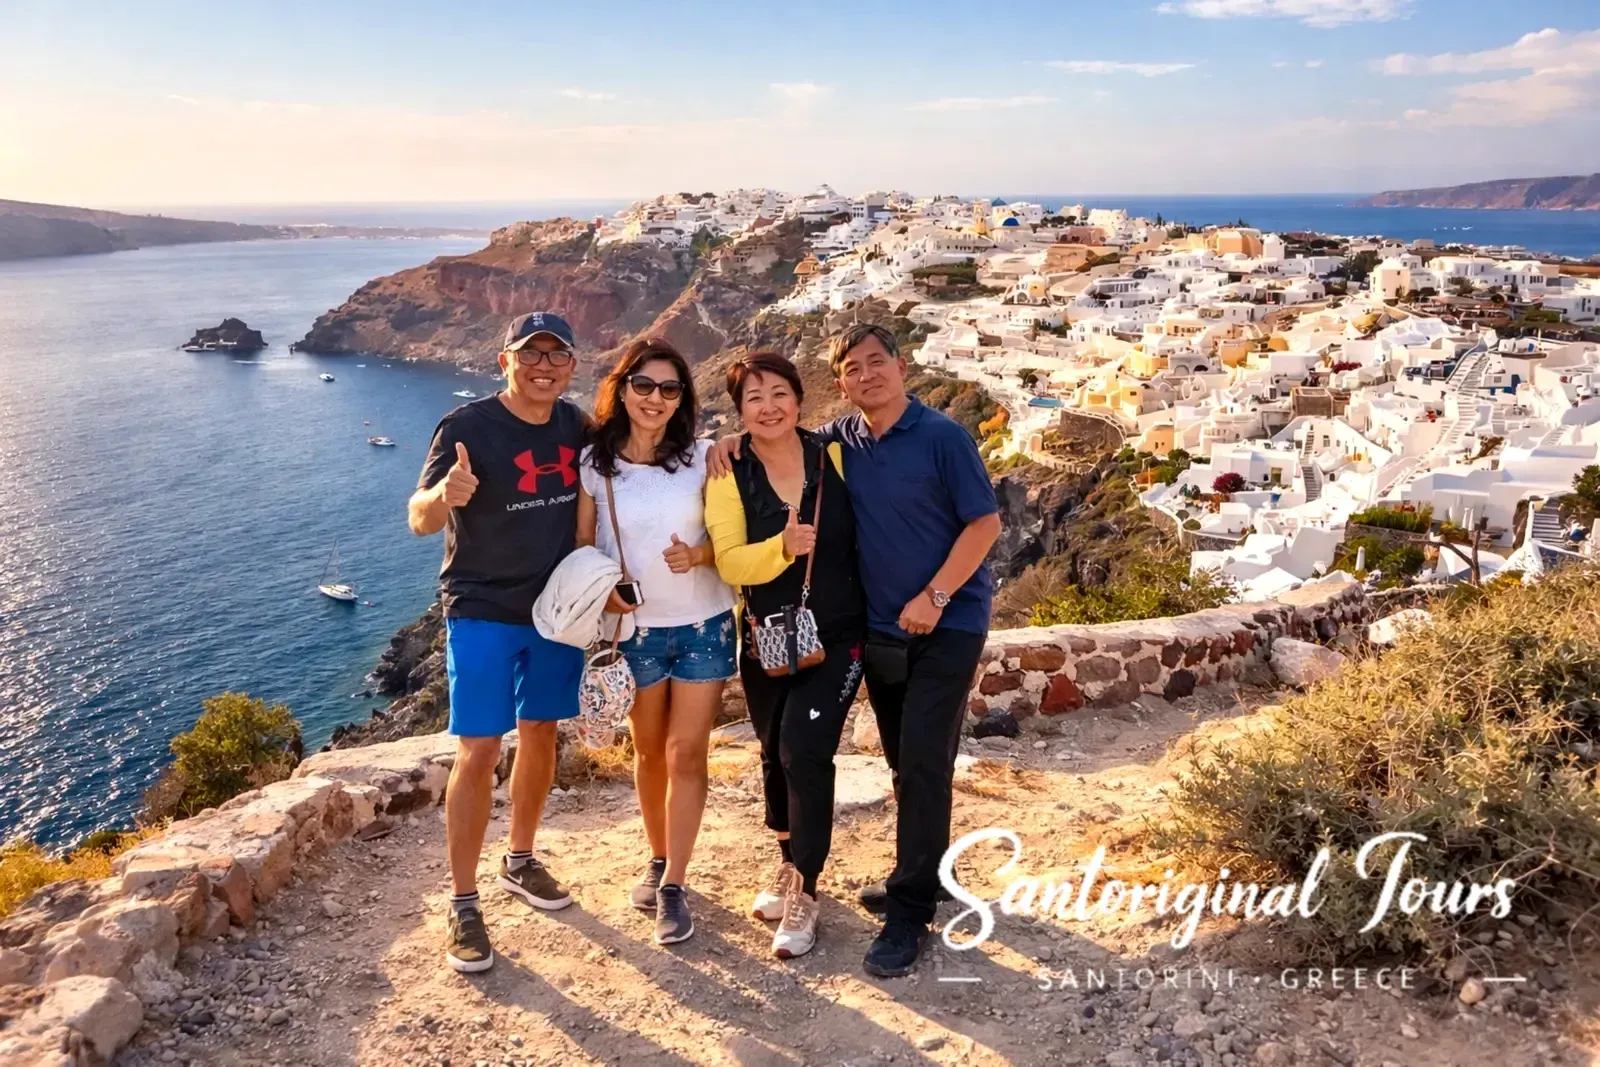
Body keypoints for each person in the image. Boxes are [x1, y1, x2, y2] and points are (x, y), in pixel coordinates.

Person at [709, 323, 1001, 977]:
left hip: (946, 624)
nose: (866, 374)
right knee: (905, 763)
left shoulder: (942, 436)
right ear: (837, 382)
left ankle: (908, 912)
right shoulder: (840, 443)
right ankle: (922, 877)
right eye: (852, 367)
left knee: (924, 760)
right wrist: (730, 444)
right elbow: (775, 440)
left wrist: (937, 596)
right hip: (880, 629)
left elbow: (986, 522)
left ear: (902, 366)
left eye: (878, 362)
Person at [409, 312, 586, 974]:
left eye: (557, 354)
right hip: (482, 604)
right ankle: (462, 901)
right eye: (530, 353)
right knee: (480, 746)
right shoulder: (465, 428)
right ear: (503, 360)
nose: (544, 364)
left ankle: (520, 858)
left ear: (571, 365)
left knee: (541, 731)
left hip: (556, 609)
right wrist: (443, 494)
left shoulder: (576, 426)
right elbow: (418, 517)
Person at [703, 352, 865, 959]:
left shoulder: (835, 455)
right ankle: (788, 863)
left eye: (779, 393)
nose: (768, 406)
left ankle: (807, 888)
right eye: (753, 398)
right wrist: (782, 547)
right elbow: (728, 560)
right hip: (768, 636)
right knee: (773, 752)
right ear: (739, 410)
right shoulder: (728, 470)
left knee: (804, 746)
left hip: (842, 632)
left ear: (800, 398)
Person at [576, 337, 735, 946]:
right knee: (647, 755)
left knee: (686, 754)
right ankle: (657, 855)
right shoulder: (595, 464)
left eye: (670, 389)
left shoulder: (705, 459)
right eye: (643, 385)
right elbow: (583, 549)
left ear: (682, 399)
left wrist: (698, 554)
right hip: (633, 632)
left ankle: (675, 884)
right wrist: (604, 592)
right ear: (622, 388)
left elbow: (737, 543)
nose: (655, 398)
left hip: (703, 624)